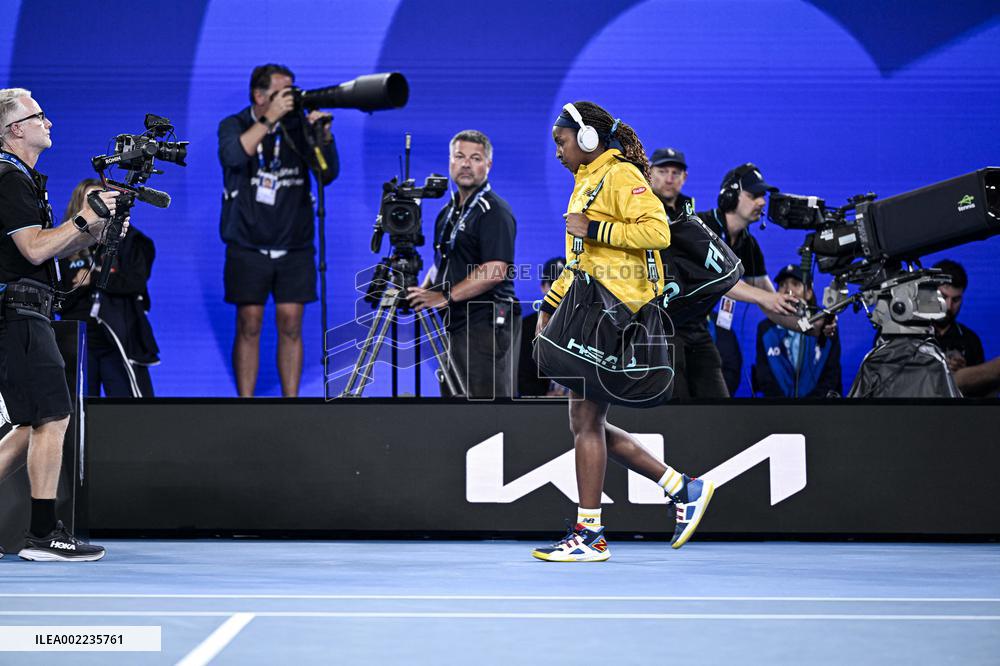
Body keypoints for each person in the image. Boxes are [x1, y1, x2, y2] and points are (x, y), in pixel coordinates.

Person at [531, 101, 714, 562]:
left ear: (588, 139)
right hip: (590, 308)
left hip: (616, 315)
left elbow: (657, 232)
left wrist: (596, 226)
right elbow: (581, 261)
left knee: (586, 421)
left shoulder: (621, 175)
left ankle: (591, 535)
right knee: (583, 421)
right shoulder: (586, 181)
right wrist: (551, 305)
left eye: (562, 142)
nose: (558, 152)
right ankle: (680, 487)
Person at [0, 87, 119, 561]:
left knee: (32, 425)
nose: (48, 122)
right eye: (38, 115)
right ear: (14, 130)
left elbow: (47, 252)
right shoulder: (8, 178)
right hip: (18, 312)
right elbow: (32, 249)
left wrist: (95, 229)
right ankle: (43, 535)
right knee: (52, 417)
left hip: (28, 307)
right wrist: (86, 216)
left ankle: (42, 534)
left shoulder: (23, 178)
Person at [218, 64, 339, 397]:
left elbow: (327, 174)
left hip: (294, 244)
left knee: (291, 324)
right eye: (282, 92)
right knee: (249, 323)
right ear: (259, 95)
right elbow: (232, 155)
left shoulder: (298, 126)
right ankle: (245, 403)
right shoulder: (235, 124)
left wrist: (322, 138)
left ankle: (292, 403)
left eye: (292, 91)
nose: (291, 98)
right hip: (247, 243)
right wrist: (269, 118)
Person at [407, 130, 519, 399]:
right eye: (459, 156)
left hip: (487, 323)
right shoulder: (446, 213)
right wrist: (422, 294)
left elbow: (495, 269)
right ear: (450, 162)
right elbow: (441, 264)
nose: (466, 164)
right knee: (456, 409)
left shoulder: (494, 212)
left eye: (475, 158)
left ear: (488, 165)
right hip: (456, 324)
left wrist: (444, 297)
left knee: (484, 411)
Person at [58, 179, 159, 397]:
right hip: (79, 339)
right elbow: (58, 298)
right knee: (77, 412)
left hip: (119, 336)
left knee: (130, 412)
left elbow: (135, 283)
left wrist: (92, 278)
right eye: (91, 201)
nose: (98, 207)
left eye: (102, 200)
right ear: (79, 206)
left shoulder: (133, 241)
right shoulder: (62, 246)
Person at [754, 264, 842, 397]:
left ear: (809, 292)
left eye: (796, 284)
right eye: (782, 285)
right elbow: (764, 375)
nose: (788, 290)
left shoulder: (825, 326)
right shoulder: (765, 329)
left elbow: (832, 374)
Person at [932, 259, 1000, 397]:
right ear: (929, 291)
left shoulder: (970, 340)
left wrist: (967, 373)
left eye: (956, 300)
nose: (949, 306)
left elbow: (983, 395)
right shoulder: (904, 334)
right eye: (943, 297)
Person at [517, 256, 567, 397]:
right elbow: (523, 376)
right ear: (543, 287)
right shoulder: (528, 326)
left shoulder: (589, 325)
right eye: (555, 285)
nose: (562, 292)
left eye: (568, 286)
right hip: (540, 406)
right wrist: (543, 396)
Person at [649, 147, 693, 221]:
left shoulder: (690, 210)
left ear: (684, 177)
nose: (669, 180)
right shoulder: (638, 208)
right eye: (662, 172)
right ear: (649, 173)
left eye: (675, 173)